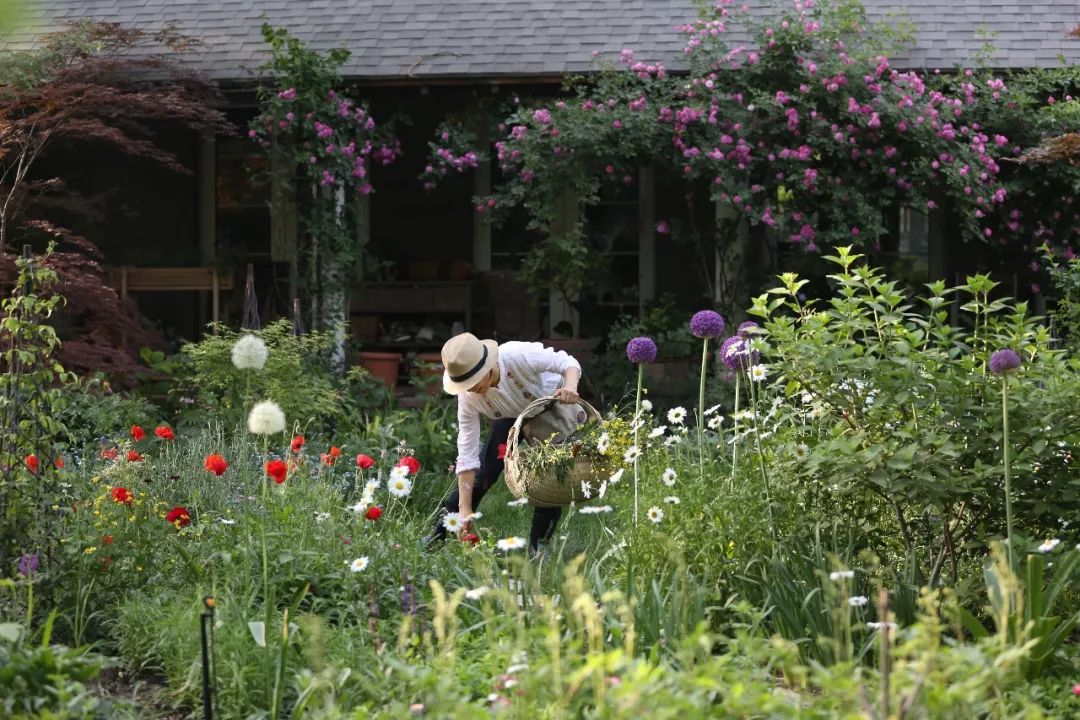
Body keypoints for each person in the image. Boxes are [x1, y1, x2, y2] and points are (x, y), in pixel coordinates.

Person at [425, 332, 582, 552]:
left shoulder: (517, 355)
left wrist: (570, 387)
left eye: (472, 382)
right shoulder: (467, 396)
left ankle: (540, 548)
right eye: (465, 385)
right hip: (510, 417)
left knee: (551, 476)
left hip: (548, 407)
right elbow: (467, 451)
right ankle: (438, 535)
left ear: (487, 367)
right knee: (485, 471)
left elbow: (567, 362)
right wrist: (465, 506)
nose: (469, 389)